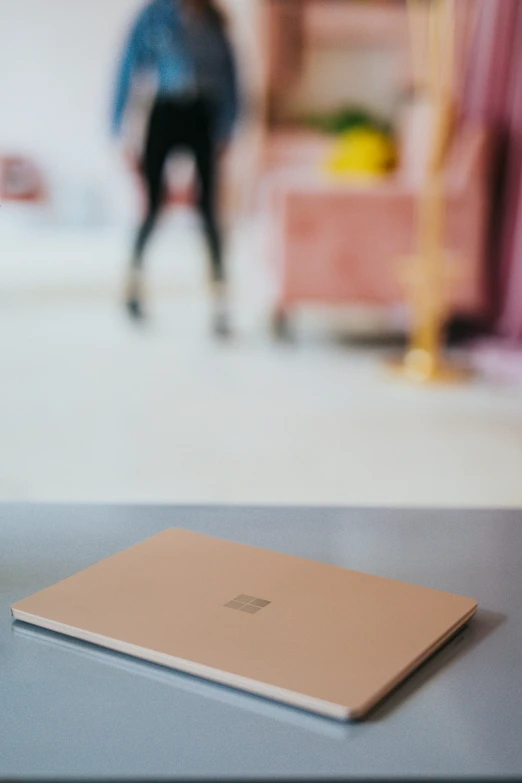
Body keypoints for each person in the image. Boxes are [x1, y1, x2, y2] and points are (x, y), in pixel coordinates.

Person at [112, 0, 240, 335]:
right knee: (152, 206)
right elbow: (128, 68)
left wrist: (229, 126)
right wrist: (120, 130)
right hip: (165, 111)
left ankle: (219, 299)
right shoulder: (153, 16)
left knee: (209, 210)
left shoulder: (214, 19)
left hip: (203, 114)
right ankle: (133, 285)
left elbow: (231, 76)